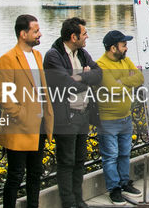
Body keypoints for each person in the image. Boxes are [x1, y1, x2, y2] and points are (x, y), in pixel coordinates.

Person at [0, 15, 55, 208]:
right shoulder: (7, 59)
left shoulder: (37, 56)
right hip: (19, 128)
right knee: (15, 175)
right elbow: (3, 95)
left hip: (39, 125)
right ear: (23, 34)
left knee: (35, 173)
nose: (40, 34)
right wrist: (22, 115)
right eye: (36, 31)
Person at [44, 17, 102, 208]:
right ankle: (68, 202)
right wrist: (85, 78)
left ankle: (78, 199)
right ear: (73, 37)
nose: (87, 37)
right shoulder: (53, 56)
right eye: (84, 34)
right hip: (66, 117)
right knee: (66, 161)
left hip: (83, 114)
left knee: (79, 159)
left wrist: (80, 76)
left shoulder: (82, 53)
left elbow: (98, 74)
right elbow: (65, 84)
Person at [96, 30, 144, 204]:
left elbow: (140, 77)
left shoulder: (125, 60)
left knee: (124, 153)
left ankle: (124, 183)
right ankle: (114, 189)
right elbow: (113, 90)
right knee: (110, 156)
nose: (126, 48)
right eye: (123, 45)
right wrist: (127, 83)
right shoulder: (100, 65)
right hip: (108, 120)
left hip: (126, 117)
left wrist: (122, 82)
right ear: (113, 48)